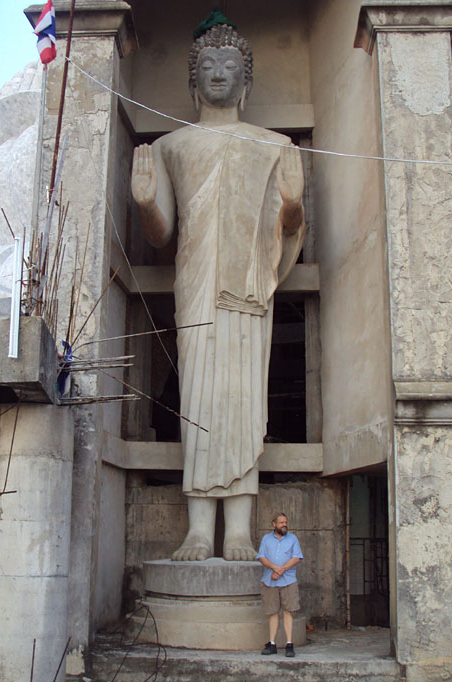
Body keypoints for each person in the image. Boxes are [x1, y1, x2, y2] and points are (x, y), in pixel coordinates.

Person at [131, 14, 305, 562]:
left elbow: (290, 227)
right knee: (199, 403)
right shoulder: (174, 146)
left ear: (246, 82)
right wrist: (144, 202)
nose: (218, 75)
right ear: (191, 80)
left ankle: (236, 532)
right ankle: (200, 531)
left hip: (247, 288)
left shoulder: (274, 146)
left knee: (243, 401)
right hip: (198, 282)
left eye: (230, 66)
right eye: (207, 65)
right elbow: (163, 234)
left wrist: (295, 206)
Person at [257, 512, 303, 657]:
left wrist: (280, 570)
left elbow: (296, 557)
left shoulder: (293, 539)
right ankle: (272, 643)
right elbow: (262, 557)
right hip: (269, 580)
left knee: (288, 611)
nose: (284, 525)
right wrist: (274, 568)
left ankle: (289, 644)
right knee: (273, 612)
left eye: (286, 522)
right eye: (281, 522)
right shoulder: (266, 539)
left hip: (288, 580)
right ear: (274, 524)